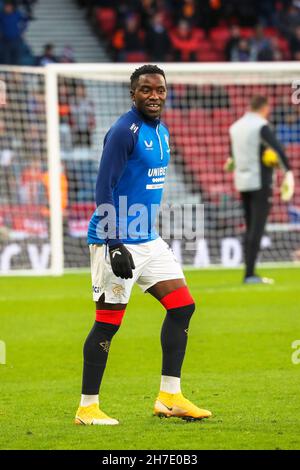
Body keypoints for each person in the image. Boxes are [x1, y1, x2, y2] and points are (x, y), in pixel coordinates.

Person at [75, 64, 212, 425]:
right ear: (132, 93)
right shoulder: (123, 131)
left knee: (182, 307)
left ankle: (170, 397)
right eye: (146, 89)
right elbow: (103, 187)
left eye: (160, 90)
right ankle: (87, 407)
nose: (154, 95)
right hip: (115, 239)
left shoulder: (161, 131)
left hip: (148, 239)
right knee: (108, 324)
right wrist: (113, 241)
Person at [226, 95, 295, 284]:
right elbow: (278, 149)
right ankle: (250, 274)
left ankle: (248, 272)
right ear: (265, 108)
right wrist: (288, 172)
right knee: (257, 228)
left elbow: (231, 157)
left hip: (242, 182)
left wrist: (232, 162)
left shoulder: (235, 127)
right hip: (260, 183)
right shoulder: (260, 126)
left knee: (250, 227)